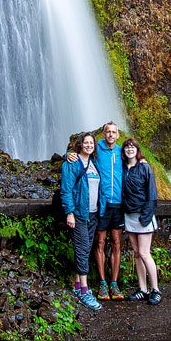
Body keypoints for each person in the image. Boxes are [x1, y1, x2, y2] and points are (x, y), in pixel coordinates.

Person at [67, 121, 124, 301]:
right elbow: (79, 157)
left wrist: (143, 159)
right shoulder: (94, 150)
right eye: (108, 132)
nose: (111, 135)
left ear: (118, 134)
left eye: (114, 132)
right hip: (91, 208)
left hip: (111, 206)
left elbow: (135, 156)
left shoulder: (118, 152)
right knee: (92, 244)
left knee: (111, 242)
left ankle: (109, 284)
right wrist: (68, 155)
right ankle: (92, 287)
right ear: (104, 134)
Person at [61, 132, 102, 310]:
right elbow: (66, 189)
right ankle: (85, 291)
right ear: (80, 145)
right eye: (85, 143)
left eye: (91, 143)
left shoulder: (93, 164)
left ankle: (77, 286)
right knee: (82, 248)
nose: (88, 145)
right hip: (79, 213)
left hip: (93, 213)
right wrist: (69, 213)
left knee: (85, 249)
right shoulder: (71, 163)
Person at [121, 137, 162, 305]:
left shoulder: (145, 167)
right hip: (129, 215)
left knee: (145, 253)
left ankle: (156, 290)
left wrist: (146, 216)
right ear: (123, 151)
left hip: (143, 216)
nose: (130, 150)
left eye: (132, 147)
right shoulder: (123, 168)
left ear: (137, 150)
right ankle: (142, 289)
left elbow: (152, 195)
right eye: (127, 148)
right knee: (137, 254)